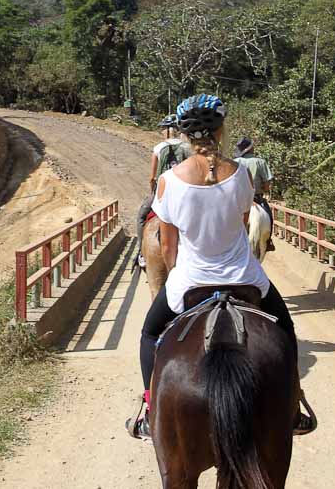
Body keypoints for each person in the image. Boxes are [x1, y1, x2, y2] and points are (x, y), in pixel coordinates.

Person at [126, 94, 315, 440]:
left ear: (184, 135)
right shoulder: (241, 174)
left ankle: (150, 410)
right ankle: (293, 404)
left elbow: (169, 246)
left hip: (190, 280)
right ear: (221, 129)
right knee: (284, 328)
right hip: (245, 278)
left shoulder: (169, 180)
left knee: (150, 334)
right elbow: (242, 229)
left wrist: (178, 276)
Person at [135, 115, 190, 266]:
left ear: (167, 131)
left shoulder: (159, 148)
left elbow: (152, 177)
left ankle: (142, 253)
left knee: (141, 216)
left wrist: (154, 192)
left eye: (162, 129)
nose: (161, 132)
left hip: (163, 193)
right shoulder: (187, 147)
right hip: (186, 194)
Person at [234, 136, 275, 252]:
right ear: (251, 149)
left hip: (239, 200)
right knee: (268, 215)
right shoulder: (261, 162)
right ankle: (269, 240)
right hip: (257, 198)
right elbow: (267, 183)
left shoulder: (235, 162)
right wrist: (263, 188)